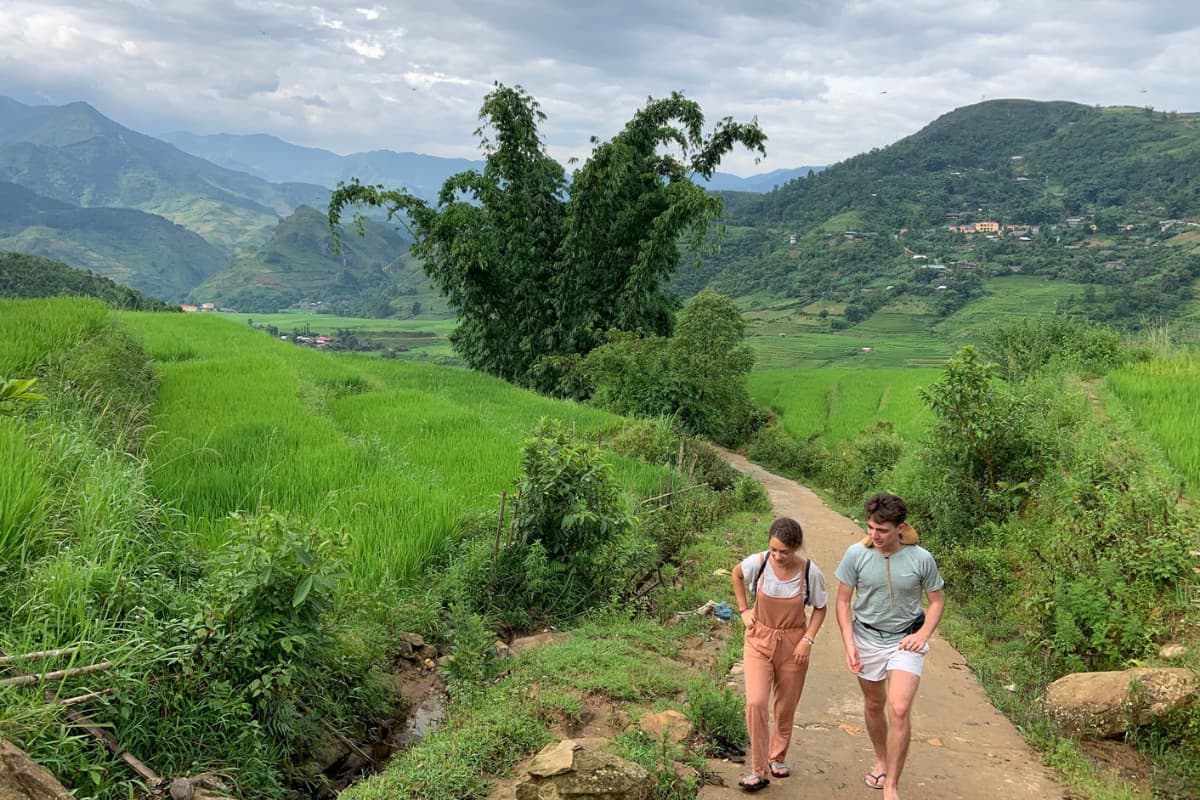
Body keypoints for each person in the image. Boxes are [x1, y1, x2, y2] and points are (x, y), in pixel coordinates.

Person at [834, 492, 944, 800]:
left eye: (882, 530)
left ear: (900, 527)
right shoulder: (856, 554)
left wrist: (922, 635)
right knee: (873, 704)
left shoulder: (921, 558)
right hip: (866, 638)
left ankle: (892, 784)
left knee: (898, 707)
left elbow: (936, 602)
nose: (874, 535)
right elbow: (842, 601)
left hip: (905, 641)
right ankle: (882, 758)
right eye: (870, 527)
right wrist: (849, 643)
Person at [731, 516, 828, 792]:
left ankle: (778, 757)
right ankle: (758, 770)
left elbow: (820, 608)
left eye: (784, 551)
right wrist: (743, 610)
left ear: (796, 548)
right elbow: (736, 574)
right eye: (774, 549)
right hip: (759, 640)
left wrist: (807, 639)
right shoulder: (759, 563)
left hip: (793, 645)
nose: (778, 556)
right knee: (756, 702)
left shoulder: (810, 572)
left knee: (785, 706)